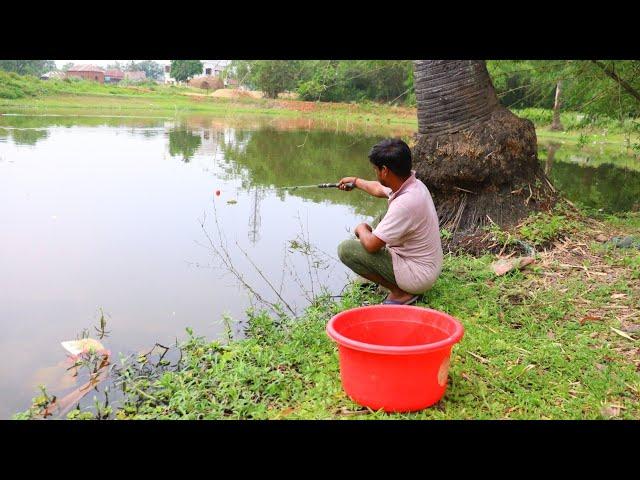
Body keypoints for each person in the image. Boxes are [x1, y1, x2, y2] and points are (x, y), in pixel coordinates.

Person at [337, 138, 443, 305]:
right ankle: (395, 281)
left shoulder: (405, 203)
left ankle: (400, 292)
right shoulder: (413, 185)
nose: (375, 173)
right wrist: (355, 182)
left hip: (418, 275)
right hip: (428, 266)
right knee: (383, 216)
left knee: (347, 249)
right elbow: (379, 188)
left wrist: (361, 228)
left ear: (384, 171)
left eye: (375, 169)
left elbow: (371, 245)